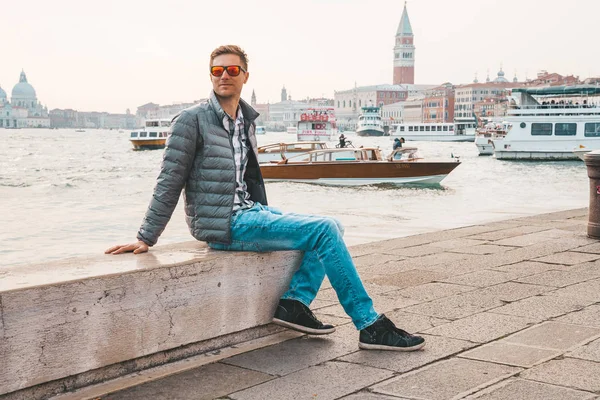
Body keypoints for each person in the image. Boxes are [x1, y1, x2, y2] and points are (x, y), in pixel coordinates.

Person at [105, 45, 425, 352]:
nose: (223, 76)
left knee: (333, 226)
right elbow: (169, 180)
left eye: (232, 69)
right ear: (210, 76)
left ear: (245, 76)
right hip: (224, 224)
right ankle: (370, 325)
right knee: (324, 229)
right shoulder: (191, 121)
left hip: (250, 212)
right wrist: (146, 236)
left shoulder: (245, 120)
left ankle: (294, 304)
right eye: (217, 70)